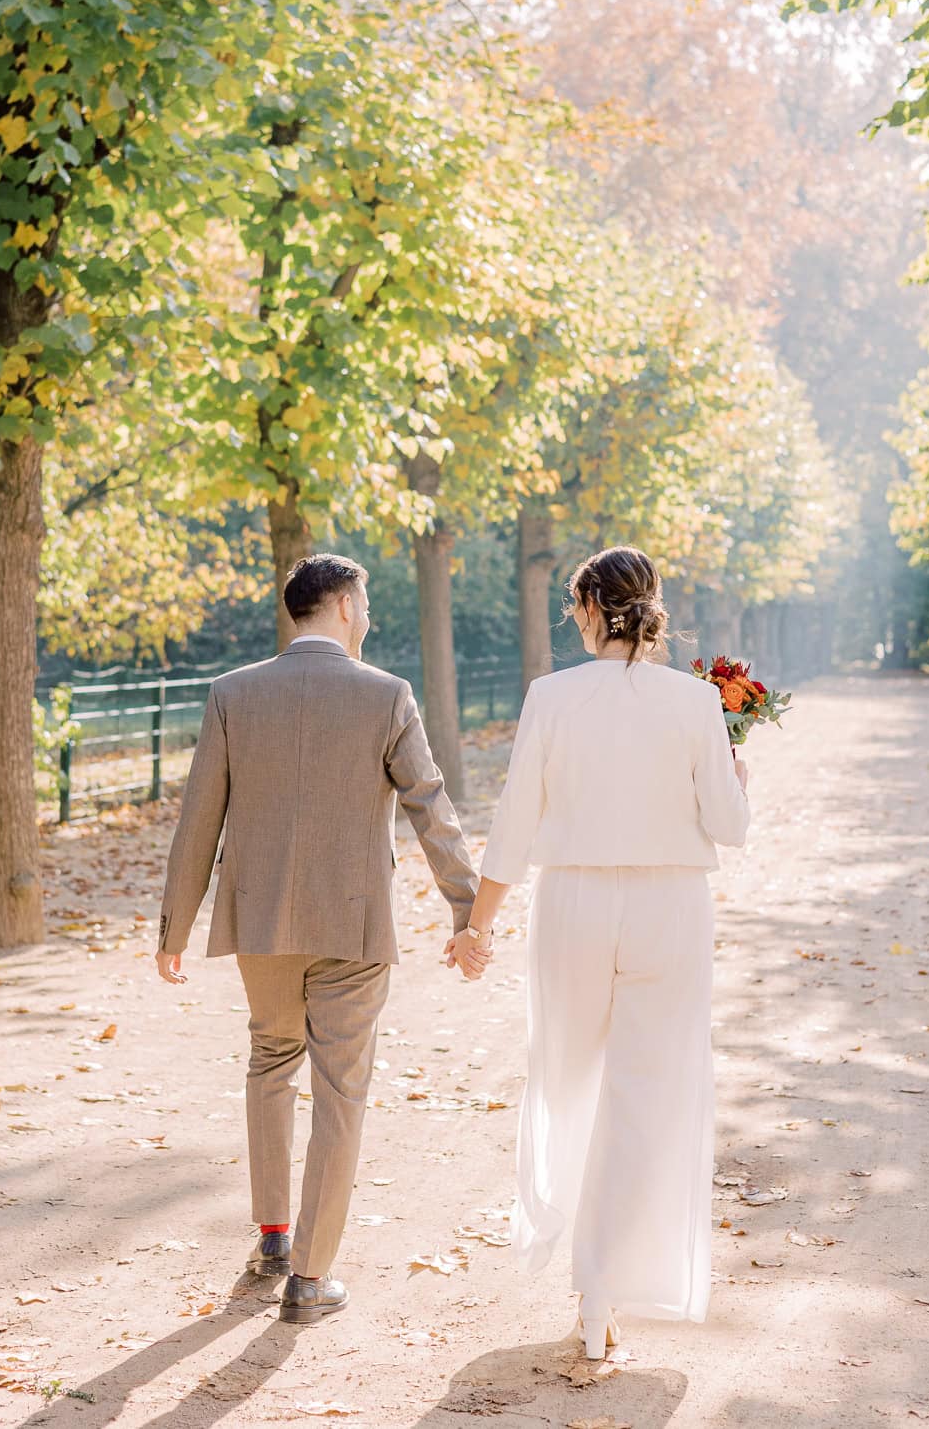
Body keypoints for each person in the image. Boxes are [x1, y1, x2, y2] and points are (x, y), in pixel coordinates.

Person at [154, 553, 488, 1325]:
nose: (367, 618)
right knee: (342, 1089)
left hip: (261, 924)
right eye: (364, 604)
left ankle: (273, 1236)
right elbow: (431, 808)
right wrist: (467, 915)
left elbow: (199, 815)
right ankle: (311, 1276)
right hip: (354, 922)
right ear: (341, 603)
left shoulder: (233, 692)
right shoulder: (387, 695)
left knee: (270, 1060)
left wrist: (176, 923)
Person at [451, 545, 750, 1358]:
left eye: (575, 607)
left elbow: (514, 821)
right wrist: (737, 772)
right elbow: (729, 824)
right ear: (647, 610)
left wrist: (478, 926)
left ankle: (588, 1283)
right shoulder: (694, 702)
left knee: (569, 1079)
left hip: (575, 901)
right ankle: (605, 1286)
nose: (574, 620)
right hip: (670, 905)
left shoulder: (551, 696)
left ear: (591, 608)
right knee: (652, 1093)